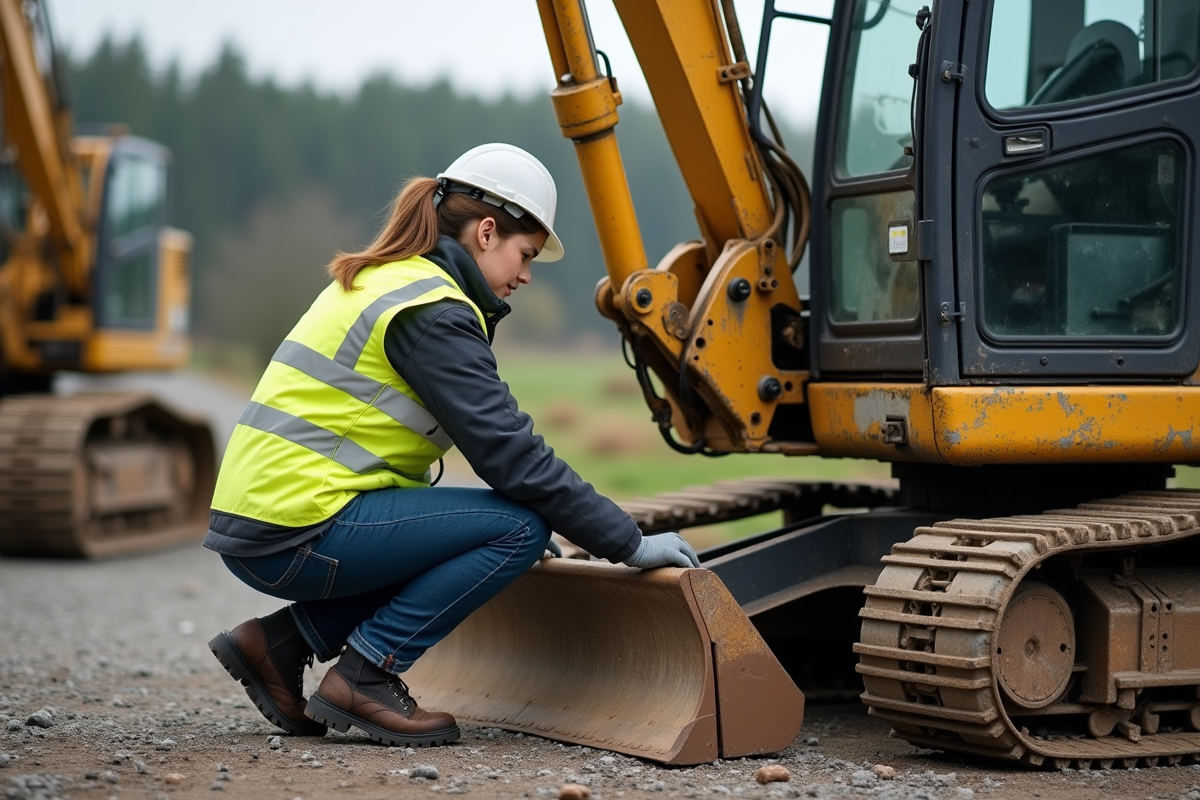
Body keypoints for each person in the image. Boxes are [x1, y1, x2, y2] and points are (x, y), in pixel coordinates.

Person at [204, 143, 700, 748]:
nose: (524, 275)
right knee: (517, 528)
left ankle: (278, 645)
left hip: (268, 521)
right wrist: (628, 542)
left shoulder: (389, 282)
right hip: (298, 530)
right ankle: (365, 676)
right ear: (487, 232)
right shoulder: (430, 310)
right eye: (526, 255)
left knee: (478, 534)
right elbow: (511, 455)